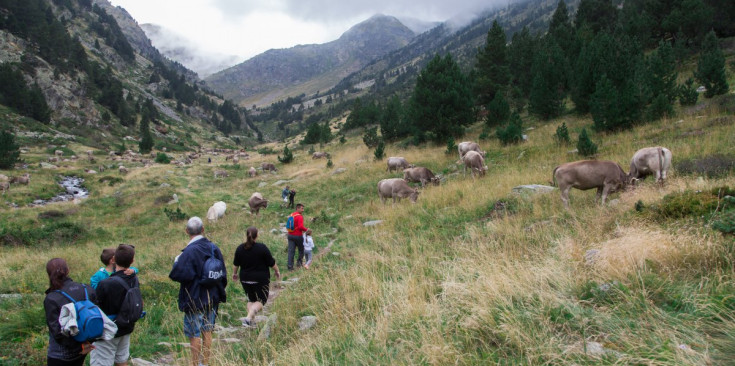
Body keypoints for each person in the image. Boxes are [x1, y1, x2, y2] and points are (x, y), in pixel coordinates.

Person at [169, 217, 227, 366]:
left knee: (194, 333)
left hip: (194, 298)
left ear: (187, 231)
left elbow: (178, 275)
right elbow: (222, 272)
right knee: (208, 330)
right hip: (212, 296)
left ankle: (195, 364)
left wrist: (177, 262)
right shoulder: (214, 248)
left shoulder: (189, 251)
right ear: (203, 229)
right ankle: (205, 363)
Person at [91, 244, 139, 366]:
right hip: (126, 326)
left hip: (108, 331)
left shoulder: (105, 284)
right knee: (122, 360)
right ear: (132, 261)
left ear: (114, 260)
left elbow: (95, 307)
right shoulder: (133, 278)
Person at [44, 258, 96, 366]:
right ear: (68, 270)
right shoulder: (87, 289)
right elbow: (97, 316)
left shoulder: (52, 298)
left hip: (61, 353)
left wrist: (78, 347)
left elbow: (57, 332)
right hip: (85, 345)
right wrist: (86, 343)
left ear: (49, 274)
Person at [232, 227, 280, 327]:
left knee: (251, 300)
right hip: (260, 279)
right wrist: (277, 271)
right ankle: (249, 318)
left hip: (245, 278)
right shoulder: (262, 248)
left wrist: (235, 274)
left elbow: (236, 264)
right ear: (257, 235)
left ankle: (251, 322)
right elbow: (271, 262)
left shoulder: (240, 248)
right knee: (262, 300)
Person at [286, 203, 309, 271]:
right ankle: (299, 263)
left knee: (291, 251)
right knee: (301, 250)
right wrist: (307, 229)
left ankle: (290, 266)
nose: (303, 210)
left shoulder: (292, 214)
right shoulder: (300, 216)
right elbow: (300, 227)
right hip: (298, 236)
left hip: (290, 235)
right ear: (297, 208)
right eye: (302, 208)